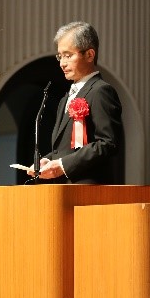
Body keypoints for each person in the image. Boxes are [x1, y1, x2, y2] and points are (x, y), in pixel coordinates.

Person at [30, 21, 124, 184]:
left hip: (87, 189)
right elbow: (66, 149)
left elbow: (108, 144)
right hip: (64, 190)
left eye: (68, 55)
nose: (62, 63)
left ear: (89, 55)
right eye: (60, 56)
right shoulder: (65, 98)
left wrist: (61, 165)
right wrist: (46, 161)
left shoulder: (100, 91)